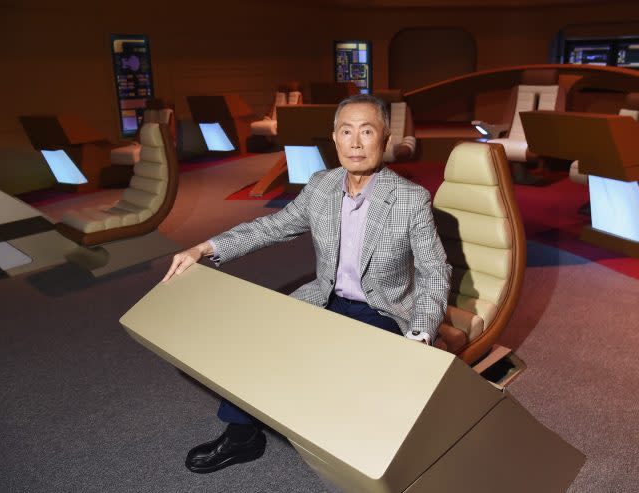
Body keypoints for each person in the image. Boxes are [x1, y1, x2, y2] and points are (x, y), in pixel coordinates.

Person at [162, 93, 451, 474]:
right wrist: (205, 247)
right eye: (346, 132)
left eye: (367, 132)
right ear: (334, 139)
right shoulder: (321, 186)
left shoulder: (410, 199)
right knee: (260, 335)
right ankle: (242, 435)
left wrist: (421, 332)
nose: (356, 143)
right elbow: (272, 226)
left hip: (381, 310)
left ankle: (353, 456)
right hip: (324, 297)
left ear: (385, 138)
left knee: (338, 364)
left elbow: (434, 270)